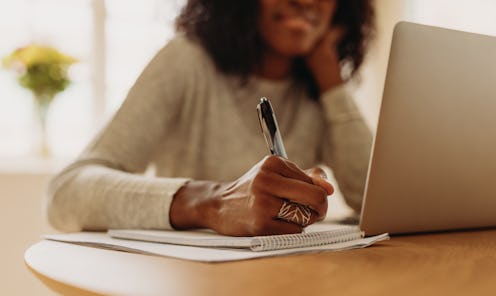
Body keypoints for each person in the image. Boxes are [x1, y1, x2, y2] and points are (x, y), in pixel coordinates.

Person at [46, 0, 374, 236]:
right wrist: (211, 202)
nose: (306, 1)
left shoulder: (321, 88)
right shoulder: (186, 62)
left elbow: (373, 201)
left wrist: (331, 80)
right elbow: (66, 194)